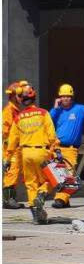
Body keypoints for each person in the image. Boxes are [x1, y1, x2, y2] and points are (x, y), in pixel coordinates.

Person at [4, 84, 59, 224]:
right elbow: (52, 134)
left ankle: (36, 215)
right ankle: (41, 195)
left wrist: (7, 159)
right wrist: (56, 150)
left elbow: (12, 141)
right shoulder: (43, 113)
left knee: (30, 184)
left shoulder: (19, 118)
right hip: (42, 152)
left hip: (25, 154)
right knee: (51, 179)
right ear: (34, 98)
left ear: (22, 100)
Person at [49, 83, 84, 208]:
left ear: (72, 97)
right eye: (63, 96)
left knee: (69, 174)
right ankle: (64, 200)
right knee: (59, 175)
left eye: (68, 96)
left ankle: (60, 199)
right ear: (59, 98)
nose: (65, 98)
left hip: (71, 149)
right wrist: (55, 108)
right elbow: (48, 120)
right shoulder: (57, 111)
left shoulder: (79, 109)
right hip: (57, 148)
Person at [2, 81, 26, 209]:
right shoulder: (9, 111)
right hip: (10, 149)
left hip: (16, 147)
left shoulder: (16, 110)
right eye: (20, 95)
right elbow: (5, 131)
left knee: (15, 172)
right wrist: (10, 145)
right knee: (11, 172)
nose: (22, 98)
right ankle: (7, 200)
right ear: (13, 96)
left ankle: (11, 199)